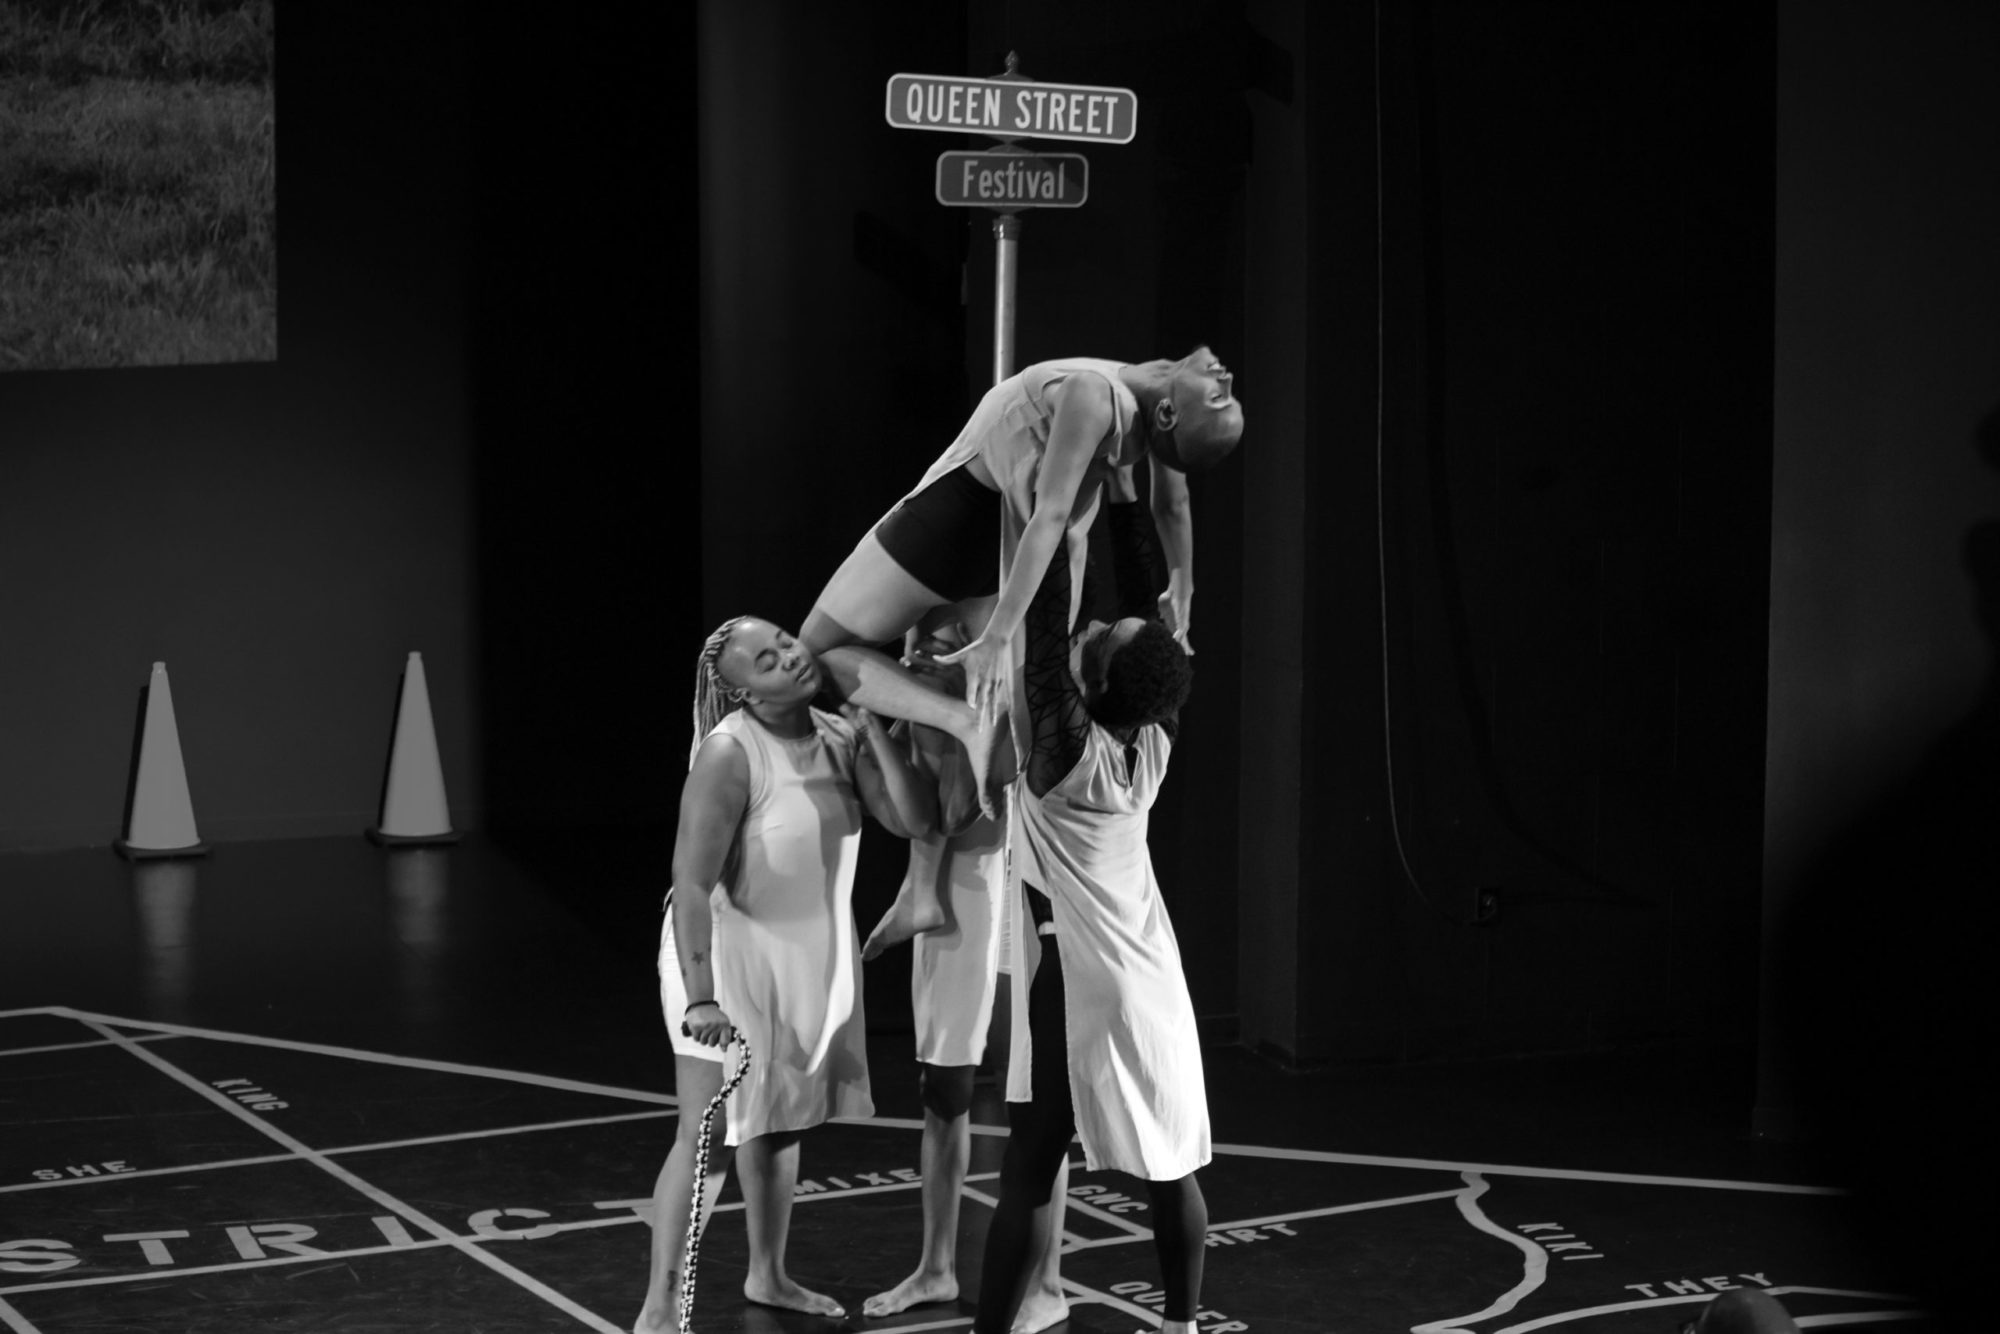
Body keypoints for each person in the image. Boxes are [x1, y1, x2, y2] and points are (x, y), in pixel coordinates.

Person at [802, 348, 1244, 956]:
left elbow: (1051, 513)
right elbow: (1171, 505)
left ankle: (960, 723)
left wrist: (1002, 633)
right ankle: (920, 887)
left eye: (1221, 394)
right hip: (1021, 541)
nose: (1224, 376)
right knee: (953, 678)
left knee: (816, 652)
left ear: (1169, 413)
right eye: (1226, 391)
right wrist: (1183, 583)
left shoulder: (1096, 395)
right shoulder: (1151, 415)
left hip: (969, 521)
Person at [631, 618, 937, 1333]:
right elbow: (691, 879)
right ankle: (657, 1310)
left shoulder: (837, 735)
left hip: (808, 960)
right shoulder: (730, 755)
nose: (790, 658)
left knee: (780, 1123)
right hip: (723, 959)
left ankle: (768, 1274)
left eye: (785, 642)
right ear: (740, 689)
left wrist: (874, 733)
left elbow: (915, 821)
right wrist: (702, 996)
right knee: (705, 1137)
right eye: (766, 662)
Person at [972, 475, 1212, 1334]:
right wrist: (1119, 497)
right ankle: (1182, 1327)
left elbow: (1043, 626)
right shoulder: (1153, 734)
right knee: (1171, 1168)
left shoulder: (1063, 755)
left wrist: (1057, 505)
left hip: (1079, 982)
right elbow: (1146, 604)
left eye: (1105, 635)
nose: (1098, 621)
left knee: (1029, 1172)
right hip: (1152, 979)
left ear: (1098, 676)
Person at [858, 612, 1067, 1331]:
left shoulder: (1006, 698)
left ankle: (1048, 1282)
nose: (914, 654)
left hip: (1014, 879)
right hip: (952, 891)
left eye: (937, 643)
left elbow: (960, 810)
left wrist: (945, 724)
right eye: (909, 644)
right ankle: (936, 1265)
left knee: (1037, 1097)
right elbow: (917, 820)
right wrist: (883, 735)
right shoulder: (913, 715)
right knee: (942, 1089)